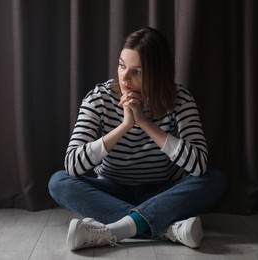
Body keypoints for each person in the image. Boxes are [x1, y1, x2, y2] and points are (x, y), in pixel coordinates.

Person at [48, 26, 226, 251]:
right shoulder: (98, 98)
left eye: (137, 72)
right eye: (122, 65)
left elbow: (198, 166)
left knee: (213, 179)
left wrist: (144, 123)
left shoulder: (180, 99)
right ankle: (165, 228)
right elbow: (73, 165)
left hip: (163, 190)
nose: (124, 77)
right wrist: (124, 126)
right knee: (59, 182)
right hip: (111, 190)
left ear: (157, 73)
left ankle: (115, 229)